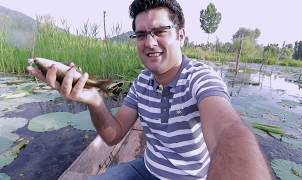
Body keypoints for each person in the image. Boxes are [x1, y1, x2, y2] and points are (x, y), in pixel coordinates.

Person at [27, 0, 273, 179]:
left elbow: (228, 132)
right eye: (142, 34)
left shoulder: (200, 78)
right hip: (146, 169)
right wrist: (94, 101)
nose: (150, 42)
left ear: (181, 35)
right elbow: (113, 135)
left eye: (160, 31)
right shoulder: (142, 82)